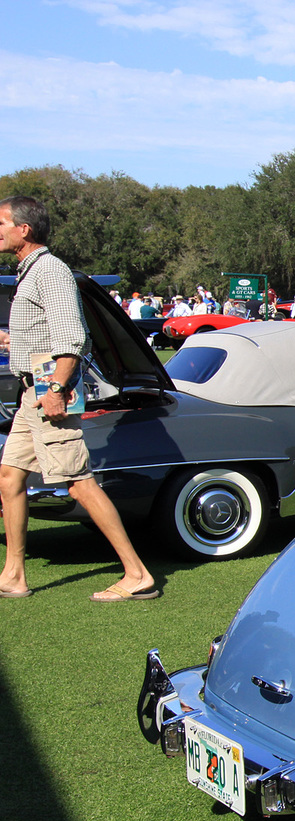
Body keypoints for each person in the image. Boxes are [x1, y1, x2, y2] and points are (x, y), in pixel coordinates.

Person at [0, 195, 158, 601]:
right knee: (9, 477)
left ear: (24, 229)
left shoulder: (49, 271)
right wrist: (11, 340)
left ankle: (137, 574)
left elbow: (72, 337)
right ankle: (14, 575)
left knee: (79, 483)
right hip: (29, 397)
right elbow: (43, 332)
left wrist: (55, 390)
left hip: (47, 396)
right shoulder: (30, 271)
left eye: (0, 223)